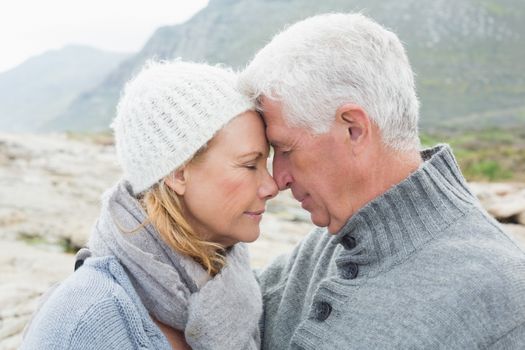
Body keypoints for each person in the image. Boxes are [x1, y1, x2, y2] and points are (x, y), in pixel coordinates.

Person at [239, 13, 525, 349]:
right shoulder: (324, 245)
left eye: (285, 149)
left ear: (354, 129)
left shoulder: (504, 296)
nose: (279, 179)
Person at [22, 61, 278, 349]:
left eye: (265, 162)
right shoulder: (81, 319)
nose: (272, 186)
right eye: (248, 164)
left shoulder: (240, 288)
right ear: (178, 173)